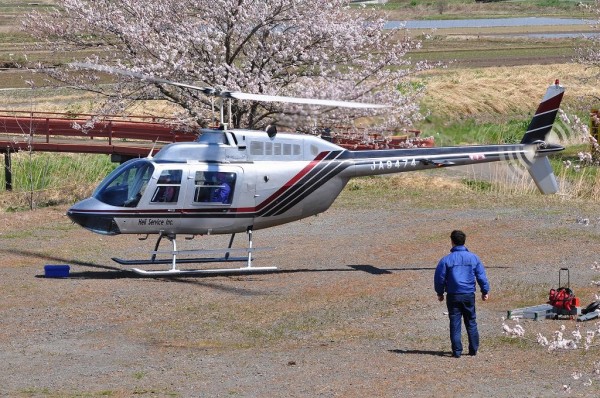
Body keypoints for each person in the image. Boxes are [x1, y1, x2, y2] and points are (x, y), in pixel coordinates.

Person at [434, 230, 490, 358]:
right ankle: (473, 349)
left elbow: (439, 277)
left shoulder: (446, 260)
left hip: (453, 295)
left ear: (452, 242)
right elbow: (481, 276)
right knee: (471, 321)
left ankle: (457, 351)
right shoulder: (473, 258)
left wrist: (440, 292)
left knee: (455, 322)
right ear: (464, 241)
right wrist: (484, 291)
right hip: (468, 294)